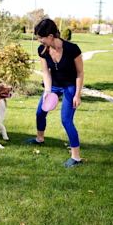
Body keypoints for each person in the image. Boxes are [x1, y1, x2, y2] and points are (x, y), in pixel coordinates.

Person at [23, 19, 84, 168]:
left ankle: (76, 157)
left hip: (70, 86)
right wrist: (48, 90)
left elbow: (80, 72)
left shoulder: (72, 49)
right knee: (40, 113)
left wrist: (77, 94)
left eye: (40, 37)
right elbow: (46, 73)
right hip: (54, 86)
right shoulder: (42, 50)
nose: (38, 40)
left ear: (50, 36)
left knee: (66, 120)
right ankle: (40, 139)